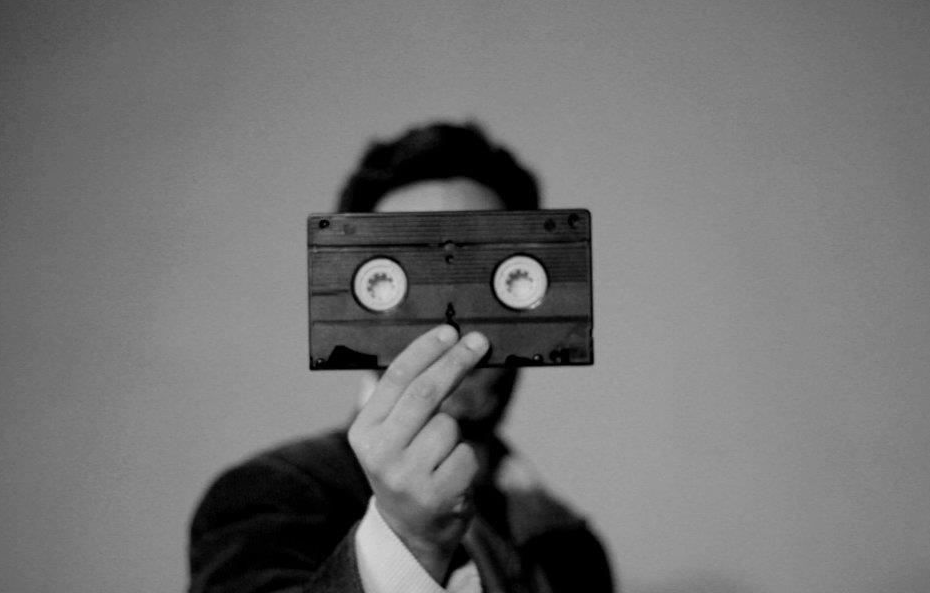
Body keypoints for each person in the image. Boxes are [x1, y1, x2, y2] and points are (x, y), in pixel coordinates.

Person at [187, 122, 615, 592]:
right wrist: (407, 541)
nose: (449, 327)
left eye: (491, 278)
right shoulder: (269, 496)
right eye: (399, 283)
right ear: (360, 294)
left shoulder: (571, 550)